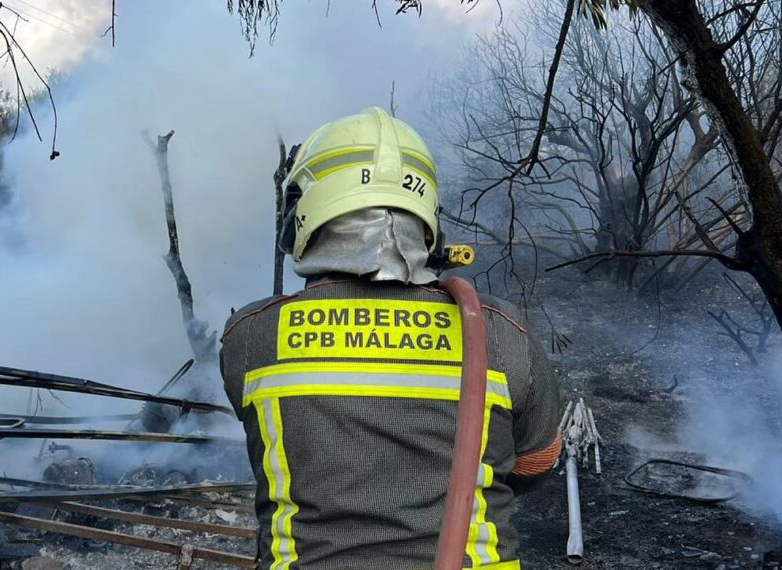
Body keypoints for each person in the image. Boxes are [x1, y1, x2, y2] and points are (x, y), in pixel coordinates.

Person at [219, 107, 562, 570]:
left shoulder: (252, 336)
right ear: (427, 215)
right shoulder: (500, 332)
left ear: (303, 211)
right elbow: (538, 461)